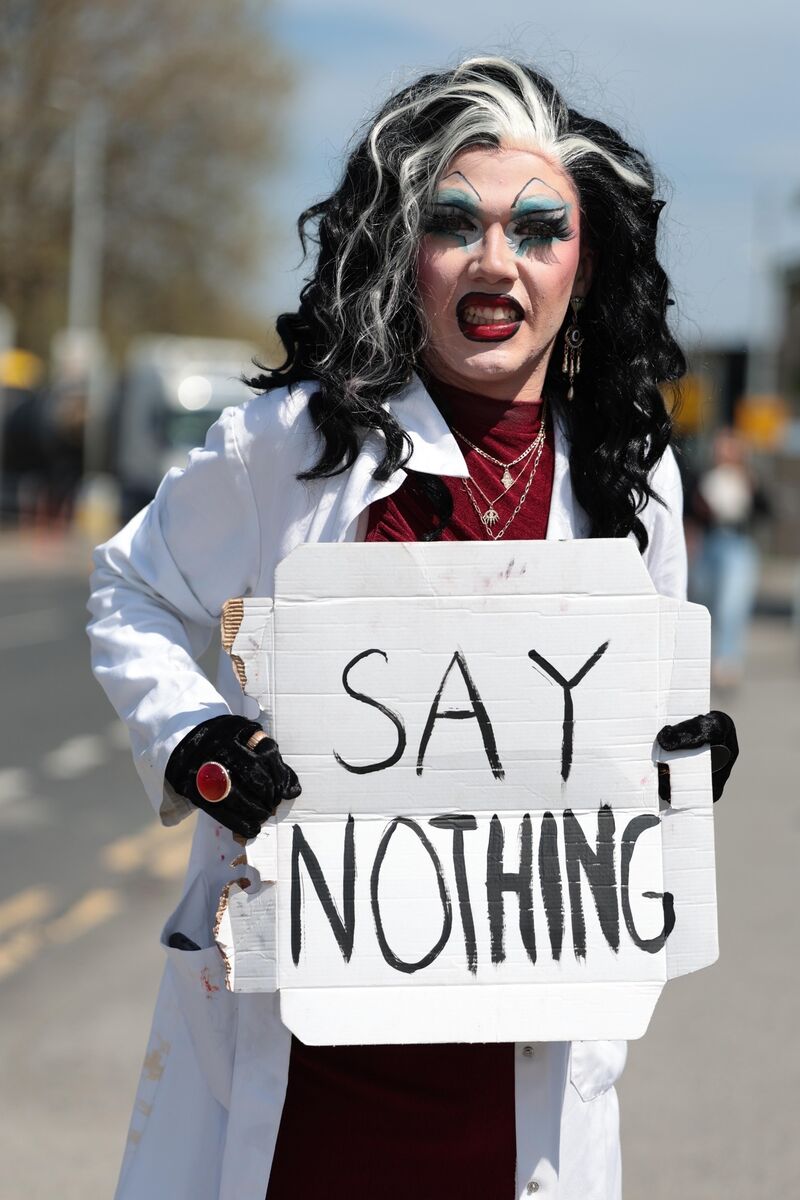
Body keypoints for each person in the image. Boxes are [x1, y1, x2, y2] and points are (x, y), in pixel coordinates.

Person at [88, 56, 738, 1200]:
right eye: (453, 223)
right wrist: (193, 740)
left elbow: (639, 723)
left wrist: (677, 763)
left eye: (537, 230)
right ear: (403, 252)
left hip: (520, 1084)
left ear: (584, 266)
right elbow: (129, 587)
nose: (495, 262)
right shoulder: (292, 447)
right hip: (306, 1081)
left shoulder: (632, 483)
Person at [688, 427, 770, 688]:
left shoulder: (748, 478)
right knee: (705, 601)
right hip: (708, 542)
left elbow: (765, 510)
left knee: (731, 603)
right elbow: (689, 512)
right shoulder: (704, 477)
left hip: (738, 543)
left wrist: (752, 487)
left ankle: (727, 659)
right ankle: (707, 657)